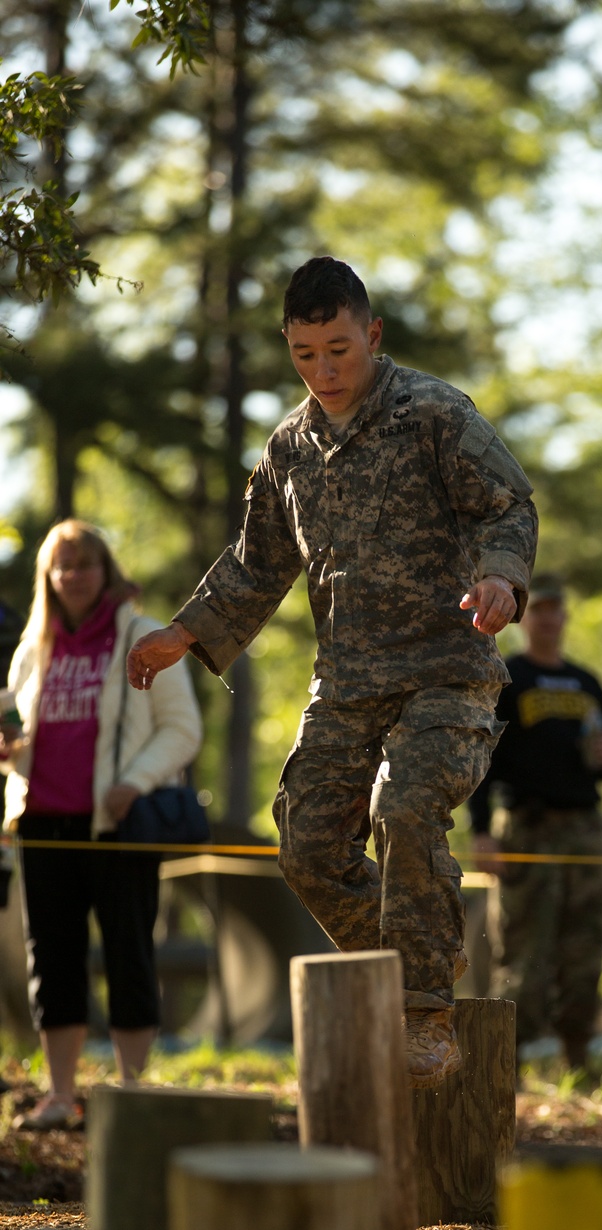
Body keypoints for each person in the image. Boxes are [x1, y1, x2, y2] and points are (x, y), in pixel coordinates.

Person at [126, 255, 536, 1088]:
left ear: (372, 335)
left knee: (407, 806)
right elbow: (255, 563)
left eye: (340, 349)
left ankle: (424, 1011)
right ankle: (407, 954)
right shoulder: (289, 449)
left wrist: (501, 578)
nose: (326, 370)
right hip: (348, 683)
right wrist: (185, 631)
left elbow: (507, 504)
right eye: (306, 354)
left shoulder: (434, 414)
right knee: (306, 844)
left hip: (445, 672)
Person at [0, 521, 202, 1129]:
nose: (74, 576)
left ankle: (131, 1094)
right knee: (52, 961)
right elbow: (20, 730)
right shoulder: (34, 646)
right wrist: (12, 750)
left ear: (106, 570)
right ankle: (60, 1095)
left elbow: (182, 728)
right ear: (48, 577)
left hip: (119, 826)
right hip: (43, 825)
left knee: (128, 955)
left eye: (85, 564)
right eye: (62, 567)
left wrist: (132, 783)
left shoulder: (143, 635)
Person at [469, 573, 602, 1070]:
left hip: (585, 831)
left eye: (556, 609)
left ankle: (576, 1061)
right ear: (523, 618)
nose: (548, 618)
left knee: (585, 951)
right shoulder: (507, 678)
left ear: (565, 617)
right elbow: (482, 762)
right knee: (523, 956)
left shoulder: (587, 683)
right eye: (538, 609)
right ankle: (501, 1069)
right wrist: (481, 831)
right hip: (527, 829)